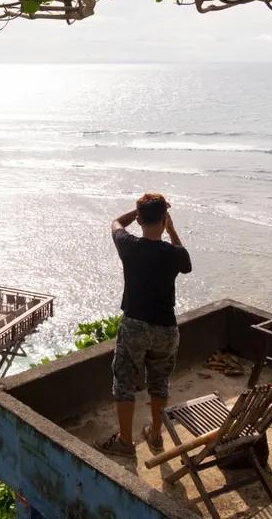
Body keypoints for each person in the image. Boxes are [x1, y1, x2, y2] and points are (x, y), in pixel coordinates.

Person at [98, 193, 192, 457]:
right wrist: (171, 229)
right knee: (159, 383)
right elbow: (186, 265)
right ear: (164, 219)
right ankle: (156, 436)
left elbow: (116, 222)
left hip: (135, 325)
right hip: (166, 329)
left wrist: (137, 213)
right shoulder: (172, 253)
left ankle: (126, 442)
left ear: (140, 220)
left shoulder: (129, 245)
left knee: (125, 382)